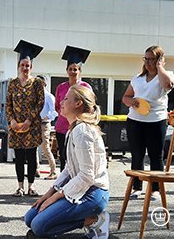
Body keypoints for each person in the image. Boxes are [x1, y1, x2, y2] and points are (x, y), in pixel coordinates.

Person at [24, 85, 109, 238]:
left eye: (66, 99)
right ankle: (55, 222)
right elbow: (70, 168)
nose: (61, 102)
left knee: (38, 226)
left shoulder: (82, 131)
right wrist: (49, 193)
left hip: (93, 194)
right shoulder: (74, 129)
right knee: (30, 218)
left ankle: (94, 220)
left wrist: (56, 197)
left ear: (78, 104)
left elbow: (86, 176)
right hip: (81, 188)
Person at [122, 45, 174, 200]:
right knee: (137, 155)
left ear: (160, 60)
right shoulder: (137, 78)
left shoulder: (166, 75)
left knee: (155, 156)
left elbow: (168, 85)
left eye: (152, 59)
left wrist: (160, 67)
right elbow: (125, 97)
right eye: (146, 58)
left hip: (156, 121)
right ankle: (137, 188)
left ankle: (155, 189)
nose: (148, 62)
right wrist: (132, 101)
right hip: (135, 121)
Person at [6, 40, 45, 197]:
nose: (25, 68)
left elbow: (40, 103)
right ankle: (20, 187)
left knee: (31, 157)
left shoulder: (36, 83)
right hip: (16, 127)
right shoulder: (13, 84)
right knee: (19, 158)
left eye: (27, 65)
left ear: (31, 67)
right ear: (18, 66)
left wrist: (29, 120)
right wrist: (12, 121)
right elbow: (8, 104)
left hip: (32, 126)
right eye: (22, 65)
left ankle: (31, 186)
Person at [55, 45, 92, 172]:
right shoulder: (61, 87)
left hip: (79, 127)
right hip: (62, 128)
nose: (73, 72)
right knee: (64, 157)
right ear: (67, 70)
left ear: (79, 71)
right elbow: (57, 106)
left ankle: (77, 183)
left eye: (75, 69)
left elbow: (89, 106)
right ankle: (63, 183)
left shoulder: (85, 86)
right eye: (70, 69)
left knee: (78, 157)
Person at [36, 75, 58, 180]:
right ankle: (35, 170)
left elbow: (55, 111)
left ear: (44, 83)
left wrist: (47, 116)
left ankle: (53, 171)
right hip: (35, 124)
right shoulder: (34, 95)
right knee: (34, 148)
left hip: (44, 124)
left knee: (45, 148)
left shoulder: (49, 96)